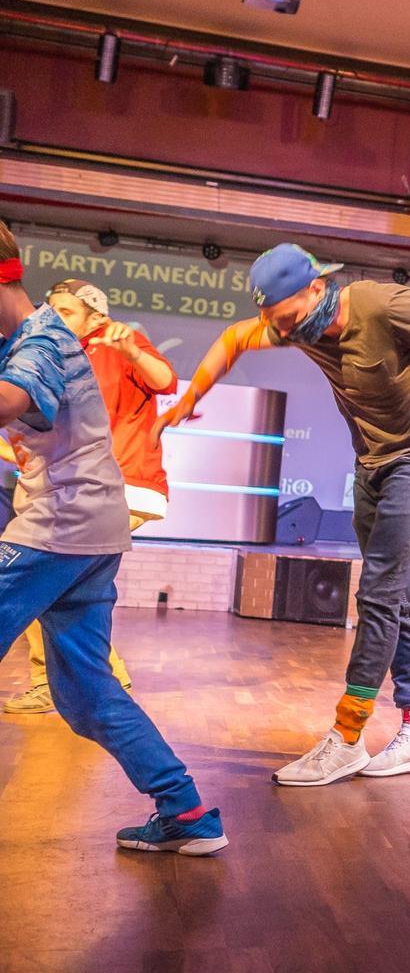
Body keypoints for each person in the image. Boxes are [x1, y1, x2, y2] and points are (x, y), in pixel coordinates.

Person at [156, 243, 410, 785]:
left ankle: (347, 737)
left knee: (378, 593)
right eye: (273, 321)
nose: (280, 331)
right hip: (372, 463)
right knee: (397, 594)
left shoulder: (383, 306)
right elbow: (235, 338)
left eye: (284, 318)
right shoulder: (296, 326)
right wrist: (193, 395)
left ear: (316, 289)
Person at [0, 222, 225, 854]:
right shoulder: (31, 336)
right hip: (89, 532)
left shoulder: (40, 341)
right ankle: (186, 811)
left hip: (60, 527)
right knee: (88, 696)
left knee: (87, 691)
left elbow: (11, 398)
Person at [4, 279, 176, 715]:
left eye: (66, 312)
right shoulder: (48, 354)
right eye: (52, 309)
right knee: (65, 587)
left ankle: (67, 681)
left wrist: (132, 351)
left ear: (96, 318)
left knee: (39, 573)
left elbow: (165, 380)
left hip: (122, 486)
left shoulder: (116, 344)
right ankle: (99, 682)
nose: (54, 318)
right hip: (75, 489)